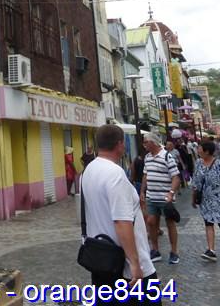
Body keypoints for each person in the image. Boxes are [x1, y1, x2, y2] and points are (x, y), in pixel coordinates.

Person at [81, 124, 161, 305]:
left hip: (102, 260)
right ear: (119, 144)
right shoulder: (115, 174)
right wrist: (135, 264)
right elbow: (121, 221)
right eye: (123, 143)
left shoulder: (89, 170)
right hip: (124, 266)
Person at [192, 141, 220, 261]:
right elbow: (195, 183)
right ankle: (211, 250)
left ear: (207, 151)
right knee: (208, 223)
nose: (198, 150)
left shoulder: (219, 164)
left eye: (200, 148)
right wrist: (193, 198)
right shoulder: (198, 163)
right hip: (205, 201)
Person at [140, 132, 181, 265]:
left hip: (165, 197)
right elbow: (145, 175)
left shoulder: (167, 156)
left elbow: (176, 177)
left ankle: (174, 252)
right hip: (151, 196)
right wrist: (142, 192)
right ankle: (155, 250)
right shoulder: (147, 157)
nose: (144, 144)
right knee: (151, 222)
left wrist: (171, 193)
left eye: (146, 142)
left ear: (153, 143)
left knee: (170, 224)